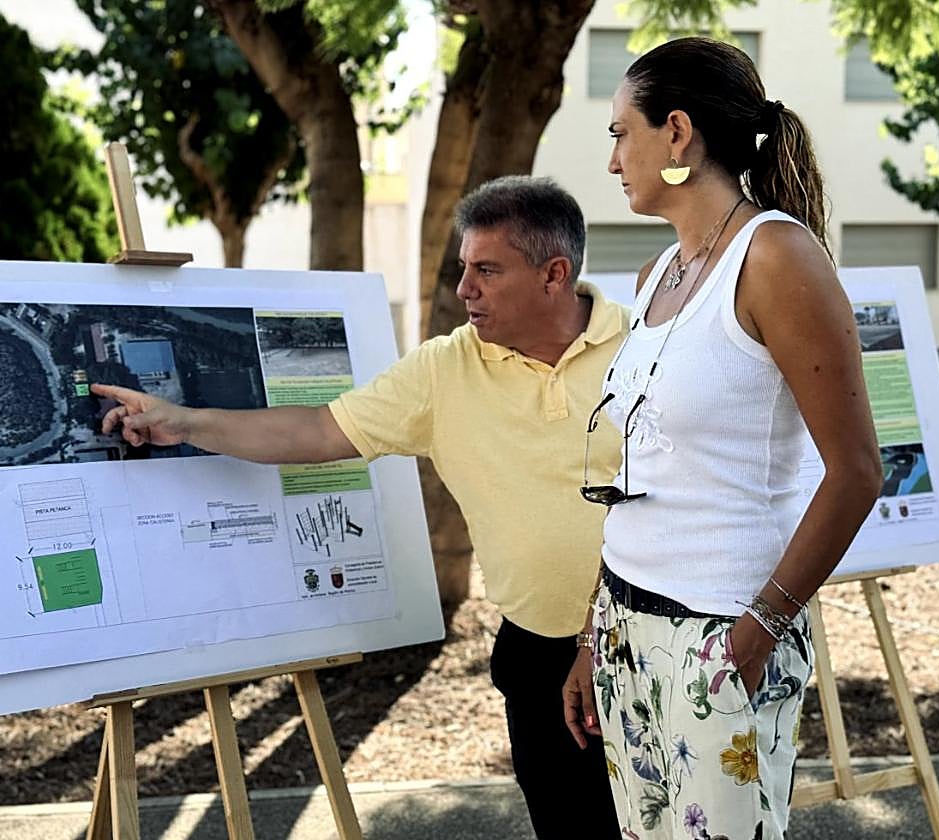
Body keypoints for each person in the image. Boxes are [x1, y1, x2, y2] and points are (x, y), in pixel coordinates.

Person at [92, 176, 625, 839]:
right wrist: (184, 421)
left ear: (554, 274)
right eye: (464, 268)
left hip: (648, 644)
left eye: (487, 270)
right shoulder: (442, 370)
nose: (465, 290)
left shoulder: (643, 350)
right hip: (538, 661)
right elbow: (318, 431)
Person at [561, 37, 882, 840]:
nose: (611, 161)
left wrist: (756, 633)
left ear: (677, 134)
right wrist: (594, 631)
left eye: (618, 133)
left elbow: (856, 472)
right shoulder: (655, 276)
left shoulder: (777, 257)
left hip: (719, 635)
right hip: (627, 628)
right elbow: (643, 469)